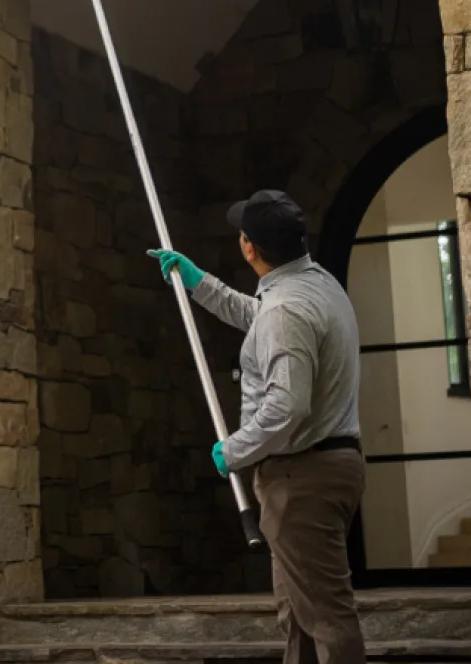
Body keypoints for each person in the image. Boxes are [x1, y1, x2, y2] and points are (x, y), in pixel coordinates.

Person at [147, 189, 365, 664]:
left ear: (250, 247)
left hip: (302, 477)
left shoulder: (286, 310)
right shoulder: (316, 284)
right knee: (299, 617)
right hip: (323, 467)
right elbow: (260, 318)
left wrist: (235, 449)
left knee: (325, 616)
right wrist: (198, 282)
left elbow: (287, 407)